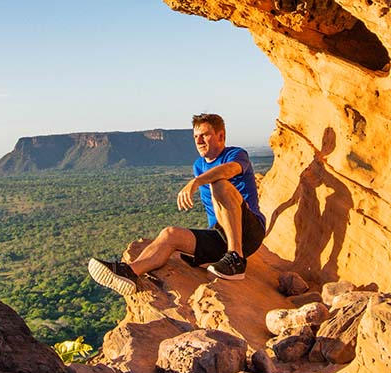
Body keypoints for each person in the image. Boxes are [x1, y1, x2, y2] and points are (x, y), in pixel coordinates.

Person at [88, 113, 266, 297]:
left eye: (204, 135)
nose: (199, 141)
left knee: (219, 183)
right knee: (169, 234)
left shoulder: (236, 154)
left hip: (248, 232)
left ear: (221, 136)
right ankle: (130, 272)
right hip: (219, 235)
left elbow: (229, 170)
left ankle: (235, 259)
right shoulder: (198, 164)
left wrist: (196, 182)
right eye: (195, 137)